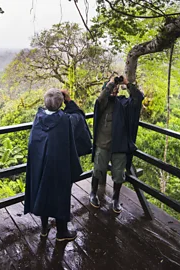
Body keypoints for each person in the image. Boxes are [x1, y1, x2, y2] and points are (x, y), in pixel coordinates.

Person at [24, 88, 90, 242]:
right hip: (59, 166)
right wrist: (69, 100)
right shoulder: (65, 120)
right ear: (61, 103)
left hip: (40, 163)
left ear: (45, 103)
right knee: (61, 195)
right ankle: (62, 232)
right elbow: (80, 117)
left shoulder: (38, 117)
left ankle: (44, 228)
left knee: (43, 191)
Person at [90, 75, 144, 213]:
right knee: (98, 169)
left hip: (120, 146)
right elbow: (100, 99)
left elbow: (138, 99)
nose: (114, 90)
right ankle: (93, 193)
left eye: (116, 88)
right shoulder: (103, 103)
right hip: (103, 144)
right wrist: (110, 83)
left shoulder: (124, 103)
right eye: (111, 88)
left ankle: (115, 198)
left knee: (119, 174)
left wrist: (127, 83)